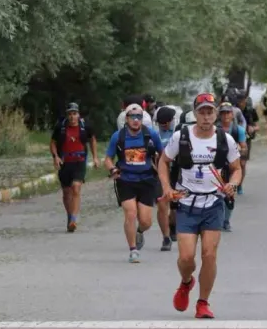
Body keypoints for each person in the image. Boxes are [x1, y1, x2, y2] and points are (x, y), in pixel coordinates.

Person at [158, 93, 242, 319]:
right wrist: (167, 188)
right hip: (186, 204)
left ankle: (203, 302)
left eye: (210, 112)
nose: (206, 117)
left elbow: (236, 168)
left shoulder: (225, 140)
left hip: (213, 203)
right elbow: (163, 162)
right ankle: (186, 282)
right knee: (186, 259)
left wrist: (232, 185)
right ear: (195, 114)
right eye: (202, 112)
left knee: (209, 255)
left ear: (216, 114)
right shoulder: (181, 137)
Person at [104, 104, 165, 263]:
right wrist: (112, 169)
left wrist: (161, 170)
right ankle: (133, 250)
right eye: (133, 117)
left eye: (139, 117)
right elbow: (108, 159)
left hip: (146, 179)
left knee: (146, 221)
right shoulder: (118, 137)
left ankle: (139, 231)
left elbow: (164, 155)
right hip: (125, 180)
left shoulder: (151, 135)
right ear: (127, 119)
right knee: (130, 213)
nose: (136, 120)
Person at [50, 103, 99, 232]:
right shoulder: (60, 127)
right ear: (67, 115)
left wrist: (95, 157)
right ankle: (69, 215)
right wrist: (55, 156)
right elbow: (53, 143)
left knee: (76, 188)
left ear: (78, 114)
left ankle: (73, 219)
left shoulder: (85, 126)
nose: (72, 117)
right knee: (66, 193)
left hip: (80, 161)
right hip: (65, 162)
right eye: (70, 114)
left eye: (74, 113)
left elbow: (93, 140)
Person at [216, 102, 247, 231]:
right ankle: (215, 219)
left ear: (232, 114)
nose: (225, 116)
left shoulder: (237, 130)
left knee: (229, 194)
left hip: (231, 165)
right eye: (223, 113)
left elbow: (244, 147)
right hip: (216, 165)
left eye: (228, 113)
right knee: (216, 194)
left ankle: (226, 220)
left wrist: (238, 150)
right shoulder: (214, 130)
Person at [154, 106, 178, 250]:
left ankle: (173, 224)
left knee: (175, 208)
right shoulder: (155, 133)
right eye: (161, 124)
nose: (164, 126)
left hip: (177, 171)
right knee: (162, 204)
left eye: (166, 123)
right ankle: (166, 237)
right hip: (159, 171)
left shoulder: (179, 131)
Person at [235, 92, 259, 194]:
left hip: (246, 139)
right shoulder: (232, 110)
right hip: (233, 138)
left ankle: (239, 185)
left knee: (243, 163)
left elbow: (258, 126)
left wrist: (252, 128)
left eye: (243, 100)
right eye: (240, 101)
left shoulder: (250, 110)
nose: (242, 103)